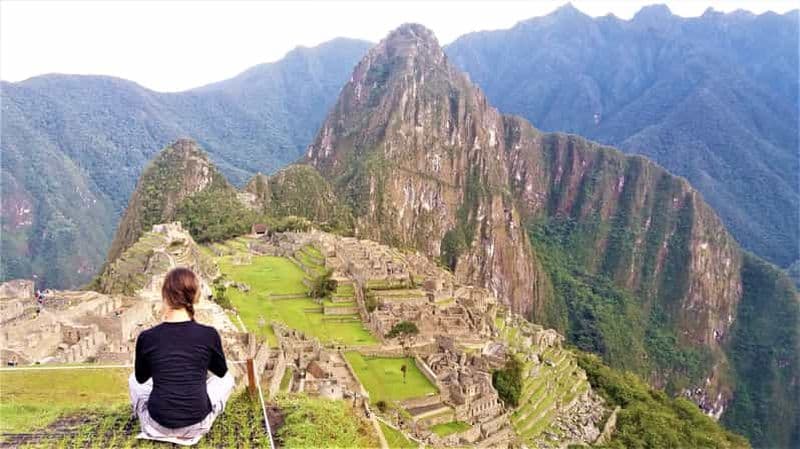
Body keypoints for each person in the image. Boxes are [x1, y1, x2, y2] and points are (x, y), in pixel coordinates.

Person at [128, 268, 235, 446]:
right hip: (197, 424)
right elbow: (221, 372)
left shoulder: (147, 337)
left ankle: (158, 431)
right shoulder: (208, 334)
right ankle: (186, 433)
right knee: (228, 379)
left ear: (165, 296)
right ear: (194, 297)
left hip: (156, 424)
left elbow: (141, 378)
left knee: (132, 379)